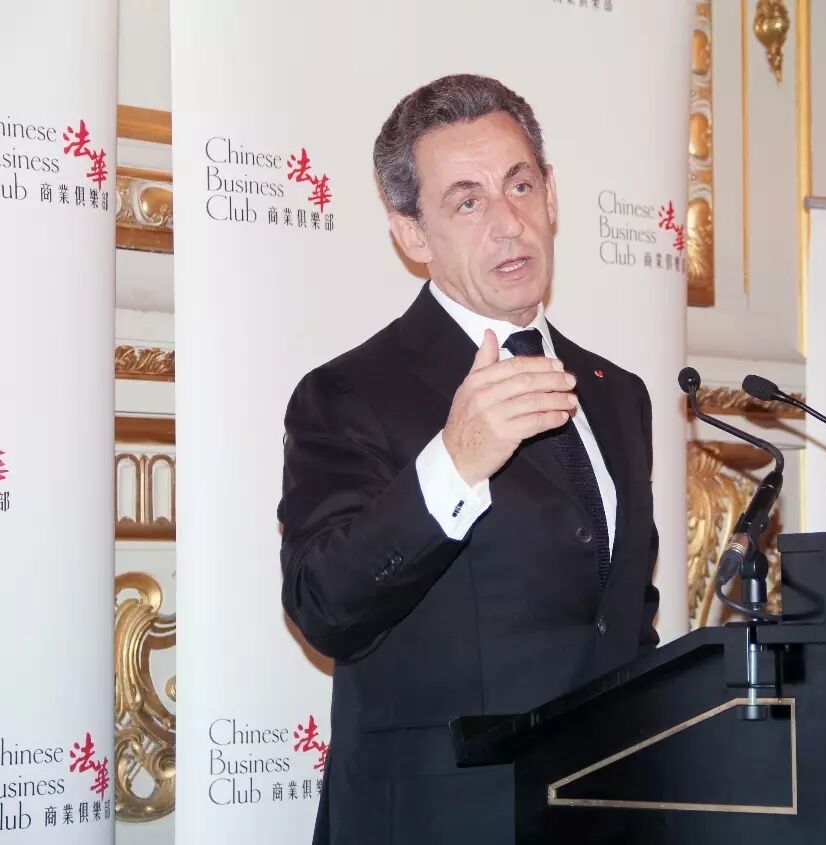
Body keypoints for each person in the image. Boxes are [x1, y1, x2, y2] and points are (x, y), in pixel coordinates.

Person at [277, 74, 661, 844]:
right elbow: (323, 607)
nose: (508, 223)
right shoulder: (348, 393)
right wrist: (453, 465)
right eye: (467, 202)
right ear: (411, 234)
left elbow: (618, 619)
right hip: (440, 821)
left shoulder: (618, 393)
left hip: (606, 813)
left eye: (520, 185)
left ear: (552, 194)